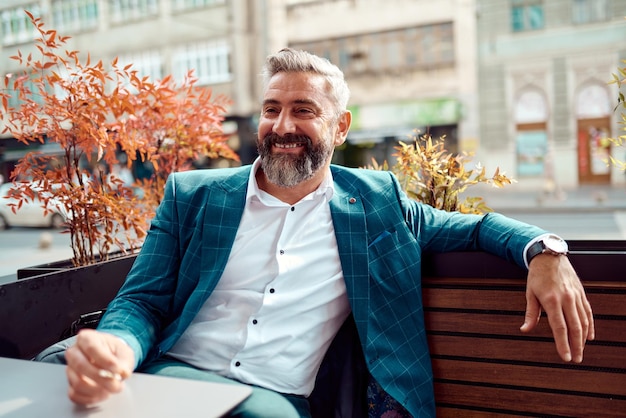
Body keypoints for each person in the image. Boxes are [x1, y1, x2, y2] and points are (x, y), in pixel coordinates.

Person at [62, 48, 594, 417]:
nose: (282, 125)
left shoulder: (376, 205)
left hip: (271, 400)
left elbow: (475, 227)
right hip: (172, 378)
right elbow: (142, 301)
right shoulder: (193, 195)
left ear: (340, 126)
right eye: (272, 109)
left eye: (304, 110)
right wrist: (117, 348)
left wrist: (545, 250)